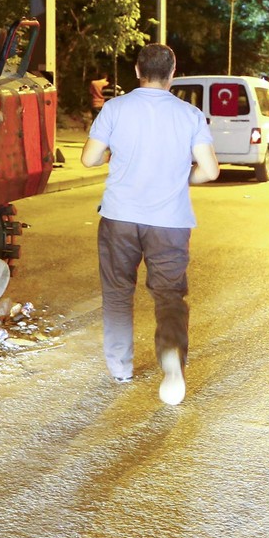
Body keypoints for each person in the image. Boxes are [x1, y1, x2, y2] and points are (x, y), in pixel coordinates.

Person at [79, 43, 220, 407]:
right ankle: (171, 355)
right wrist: (182, 178)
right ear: (173, 73)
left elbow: (89, 159)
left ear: (138, 71)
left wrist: (116, 151)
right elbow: (210, 170)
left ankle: (120, 367)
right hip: (170, 223)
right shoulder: (190, 115)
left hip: (119, 218)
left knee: (117, 293)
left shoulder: (115, 108)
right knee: (170, 295)